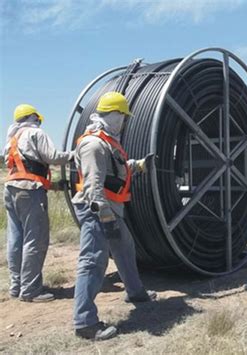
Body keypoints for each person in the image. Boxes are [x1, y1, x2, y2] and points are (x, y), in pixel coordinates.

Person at [71, 92, 156, 341]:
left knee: (125, 249)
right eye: (123, 117)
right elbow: (93, 186)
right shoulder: (94, 144)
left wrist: (138, 165)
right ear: (115, 115)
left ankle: (135, 292)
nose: (126, 122)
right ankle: (85, 322)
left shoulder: (107, 142)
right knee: (93, 262)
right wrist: (106, 218)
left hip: (110, 210)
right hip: (97, 211)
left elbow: (116, 168)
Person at [4, 104, 73, 302]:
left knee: (15, 240)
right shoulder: (36, 133)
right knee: (35, 239)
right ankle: (31, 290)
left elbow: (25, 170)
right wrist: (74, 155)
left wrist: (52, 186)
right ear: (33, 117)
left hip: (11, 190)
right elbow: (51, 158)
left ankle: (16, 286)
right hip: (30, 193)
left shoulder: (12, 138)